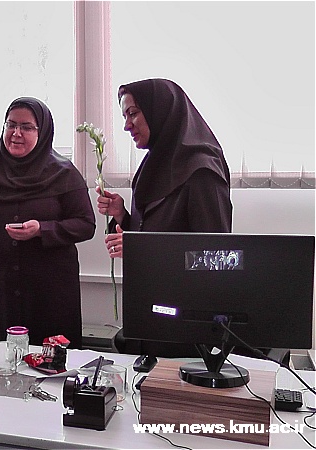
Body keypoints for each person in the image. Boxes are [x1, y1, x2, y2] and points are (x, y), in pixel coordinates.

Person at [97, 78, 232, 357]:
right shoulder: (154, 164)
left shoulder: (202, 173)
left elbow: (215, 257)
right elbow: (155, 230)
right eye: (124, 116)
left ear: (160, 111)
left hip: (183, 327)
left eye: (133, 113)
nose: (126, 125)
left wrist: (140, 249)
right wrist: (123, 216)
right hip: (150, 313)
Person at [0, 97, 96, 349]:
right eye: (10, 125)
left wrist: (42, 229)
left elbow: (86, 224)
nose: (16, 133)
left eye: (26, 127)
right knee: (4, 358)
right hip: (3, 290)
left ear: (42, 132)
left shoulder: (64, 173)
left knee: (52, 362)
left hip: (51, 293)